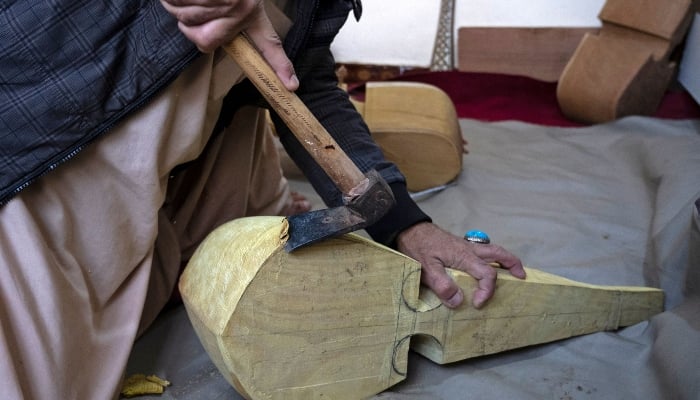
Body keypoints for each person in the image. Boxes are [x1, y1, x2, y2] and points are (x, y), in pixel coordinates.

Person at [0, 0, 525, 398]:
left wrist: (404, 223)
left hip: (172, 150)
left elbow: (303, 77)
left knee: (224, 232)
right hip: (39, 133)